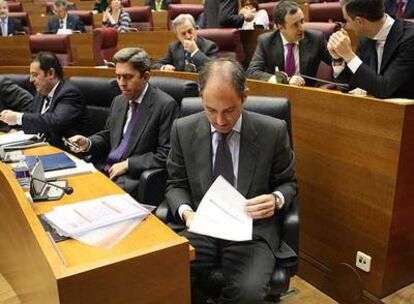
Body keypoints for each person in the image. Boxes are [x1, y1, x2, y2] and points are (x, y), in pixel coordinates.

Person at [165, 58, 297, 303]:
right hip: (201, 227)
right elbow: (176, 184)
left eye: (229, 110)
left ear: (244, 97)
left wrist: (275, 200)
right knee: (166, 274)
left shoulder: (273, 131)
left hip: (252, 232)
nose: (220, 121)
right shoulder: (183, 129)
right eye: (210, 110)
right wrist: (187, 213)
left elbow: (288, 184)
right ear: (201, 97)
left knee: (248, 293)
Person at [68, 48, 178, 198]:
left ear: (145, 77)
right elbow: (109, 135)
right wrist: (88, 142)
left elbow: (166, 154)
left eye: (127, 77)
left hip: (133, 178)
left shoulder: (165, 105)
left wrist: (129, 164)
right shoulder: (119, 101)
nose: (121, 83)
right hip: (105, 169)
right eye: (118, 77)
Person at [0, 52, 91, 149]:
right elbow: (34, 117)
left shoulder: (69, 93)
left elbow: (55, 122)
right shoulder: (41, 92)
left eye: (35, 75)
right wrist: (16, 128)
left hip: (68, 152)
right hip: (42, 148)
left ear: (50, 73)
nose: (31, 80)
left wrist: (18, 117)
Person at [328, 0, 414, 98]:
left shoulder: (410, 39)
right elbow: (348, 86)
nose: (346, 26)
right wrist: (338, 59)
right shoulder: (366, 39)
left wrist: (349, 56)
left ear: (359, 21)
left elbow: (384, 89)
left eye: (347, 21)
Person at [246, 1, 332, 86]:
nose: (301, 28)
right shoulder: (266, 41)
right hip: (277, 95)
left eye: (302, 21)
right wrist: (285, 80)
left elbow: (336, 62)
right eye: (295, 25)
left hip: (308, 94)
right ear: (281, 27)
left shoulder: (316, 39)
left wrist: (340, 53)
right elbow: (252, 72)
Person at [153, 14, 218, 72]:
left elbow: (213, 70)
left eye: (190, 31)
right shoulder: (174, 48)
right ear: (177, 36)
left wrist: (195, 51)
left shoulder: (210, 46)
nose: (188, 36)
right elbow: (156, 65)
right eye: (183, 34)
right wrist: (164, 67)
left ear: (195, 29)